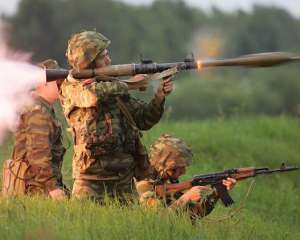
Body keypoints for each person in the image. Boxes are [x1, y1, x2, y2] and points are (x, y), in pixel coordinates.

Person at [59, 31, 174, 202]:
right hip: (91, 183)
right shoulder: (72, 87)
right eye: (103, 56)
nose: (109, 61)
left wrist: (159, 97)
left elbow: (144, 119)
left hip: (124, 181)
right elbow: (93, 95)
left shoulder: (112, 86)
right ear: (88, 62)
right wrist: (130, 83)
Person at [2, 59, 68, 200]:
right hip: (35, 189)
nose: (62, 85)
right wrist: (53, 188)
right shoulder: (37, 111)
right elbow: (38, 153)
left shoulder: (42, 107)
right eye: (57, 82)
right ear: (43, 83)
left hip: (37, 186)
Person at [135, 134, 236, 219]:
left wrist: (217, 192)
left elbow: (197, 213)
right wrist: (186, 198)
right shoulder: (144, 188)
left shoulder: (165, 185)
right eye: (180, 167)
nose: (184, 172)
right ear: (167, 166)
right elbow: (159, 220)